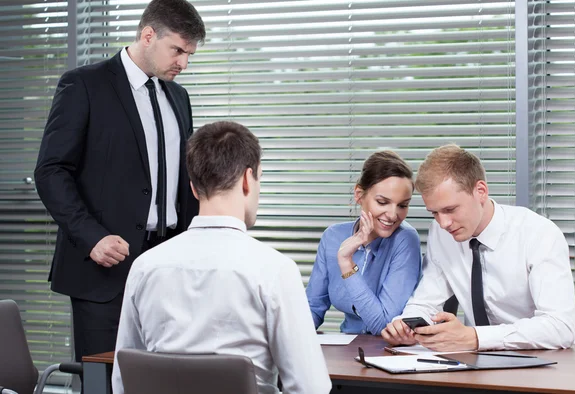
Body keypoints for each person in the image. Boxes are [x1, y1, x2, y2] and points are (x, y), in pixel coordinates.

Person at [33, 0, 205, 363]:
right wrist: (91, 236)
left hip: (166, 267)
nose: (184, 63)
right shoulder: (84, 84)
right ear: (147, 36)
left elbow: (183, 180)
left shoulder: (179, 96)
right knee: (104, 382)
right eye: (177, 50)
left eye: (189, 54)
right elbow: (51, 170)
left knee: (162, 379)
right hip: (104, 267)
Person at [111, 121, 331, 394]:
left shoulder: (144, 267)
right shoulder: (274, 270)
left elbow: (124, 380)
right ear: (248, 179)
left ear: (193, 187)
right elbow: (311, 388)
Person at [382, 144, 575, 351]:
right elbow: (426, 300)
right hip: (478, 361)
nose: (443, 223)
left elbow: (560, 327)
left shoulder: (539, 234)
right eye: (435, 213)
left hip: (550, 362)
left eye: (450, 209)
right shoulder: (441, 234)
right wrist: (406, 325)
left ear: (481, 191)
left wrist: (476, 337)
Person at [306, 151, 422, 335]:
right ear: (359, 195)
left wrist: (346, 263)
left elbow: (383, 325)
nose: (393, 215)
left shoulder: (405, 240)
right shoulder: (333, 237)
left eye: (402, 205)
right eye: (382, 202)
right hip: (346, 350)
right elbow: (312, 308)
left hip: (388, 353)